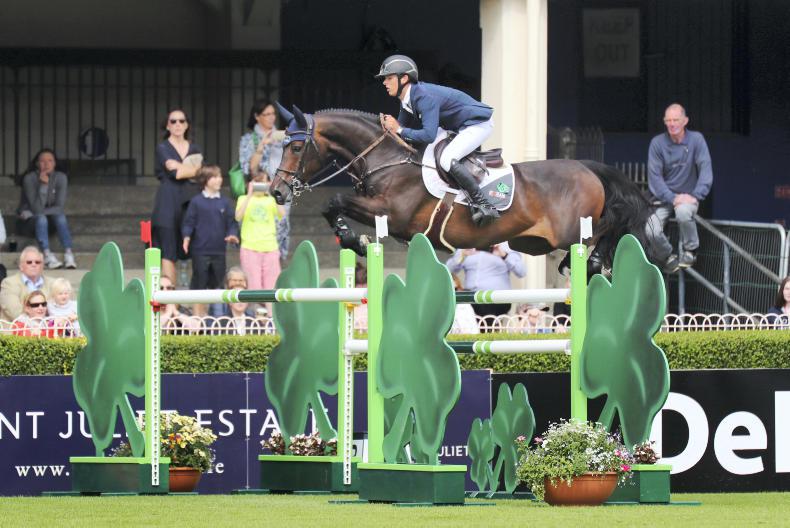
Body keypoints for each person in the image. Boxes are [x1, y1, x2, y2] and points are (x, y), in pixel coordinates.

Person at [376, 54, 499, 226]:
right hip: (453, 126)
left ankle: (484, 204)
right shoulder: (406, 99)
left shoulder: (424, 97)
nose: (384, 82)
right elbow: (401, 131)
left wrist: (399, 129)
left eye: (389, 78)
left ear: (404, 78)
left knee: (447, 159)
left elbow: (427, 135)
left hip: (477, 124)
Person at [645, 103, 713, 273]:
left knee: (683, 212)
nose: (672, 123)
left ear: (685, 121)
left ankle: (690, 251)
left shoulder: (696, 139)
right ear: (664, 122)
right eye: (668, 120)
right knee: (650, 229)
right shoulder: (657, 143)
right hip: (663, 199)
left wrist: (696, 195)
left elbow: (706, 170)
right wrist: (673, 198)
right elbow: (654, 178)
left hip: (688, 197)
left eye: (676, 119)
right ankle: (668, 256)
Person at [151, 109, 202, 284]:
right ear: (167, 125)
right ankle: (171, 303)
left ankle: (192, 301)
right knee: (168, 250)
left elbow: (201, 174)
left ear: (187, 124)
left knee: (194, 249)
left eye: (181, 121)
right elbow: (175, 174)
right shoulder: (162, 147)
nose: (178, 124)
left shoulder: (194, 147)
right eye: (173, 121)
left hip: (190, 200)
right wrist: (192, 170)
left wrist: (184, 168)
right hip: (168, 202)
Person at [182, 166, 239, 317]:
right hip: (200, 251)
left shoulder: (225, 202)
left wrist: (233, 234)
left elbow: (232, 223)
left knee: (219, 286)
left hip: (219, 251)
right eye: (214, 176)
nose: (219, 179)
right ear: (205, 181)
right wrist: (186, 237)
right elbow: (189, 222)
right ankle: (197, 320)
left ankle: (217, 319)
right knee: (199, 286)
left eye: (220, 176)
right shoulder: (196, 202)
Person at [238, 99, 291, 260]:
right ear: (257, 116)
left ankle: (276, 264)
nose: (271, 118)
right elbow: (248, 169)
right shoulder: (249, 139)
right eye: (266, 114)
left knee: (281, 228)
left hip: (281, 189)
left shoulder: (283, 136)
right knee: (261, 228)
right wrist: (261, 146)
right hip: (260, 192)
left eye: (273, 114)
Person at [18, 149, 77, 269]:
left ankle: (68, 253)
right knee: (41, 218)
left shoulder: (61, 178)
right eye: (42, 161)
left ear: (55, 163)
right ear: (36, 164)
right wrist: (44, 185)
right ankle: (46, 255)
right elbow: (37, 208)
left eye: (50, 160)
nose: (46, 164)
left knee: (59, 216)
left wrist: (32, 213)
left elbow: (59, 207)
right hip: (30, 224)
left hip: (50, 222)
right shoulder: (29, 179)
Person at [235, 174, 285, 316]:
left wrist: (274, 192)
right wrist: (250, 193)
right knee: (254, 286)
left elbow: (282, 213)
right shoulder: (243, 199)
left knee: (272, 286)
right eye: (258, 182)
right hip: (250, 248)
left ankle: (271, 319)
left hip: (270, 248)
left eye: (263, 183)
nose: (260, 186)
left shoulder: (270, 200)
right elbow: (238, 216)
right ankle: (257, 320)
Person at [446, 243, 525, 331]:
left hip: (496, 300)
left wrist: (504, 255)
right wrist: (462, 256)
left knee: (488, 331)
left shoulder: (506, 245)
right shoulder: (468, 243)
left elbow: (521, 272)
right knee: (462, 319)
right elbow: (446, 270)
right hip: (470, 299)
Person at [0, 246, 55, 321]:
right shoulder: (8, 283)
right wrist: (36, 325)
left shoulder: (53, 283)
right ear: (21, 266)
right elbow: (14, 312)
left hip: (47, 330)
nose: (34, 264)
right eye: (29, 262)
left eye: (37, 262)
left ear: (42, 266)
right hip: (15, 330)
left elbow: (60, 309)